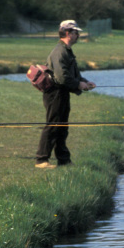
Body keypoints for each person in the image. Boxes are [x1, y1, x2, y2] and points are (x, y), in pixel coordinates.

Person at [35, 20, 96, 169]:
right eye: (76, 32)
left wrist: (85, 82)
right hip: (54, 93)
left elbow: (73, 74)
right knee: (53, 125)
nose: (78, 35)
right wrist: (77, 85)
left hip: (62, 93)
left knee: (62, 127)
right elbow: (62, 77)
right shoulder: (59, 51)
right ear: (68, 33)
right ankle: (41, 159)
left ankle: (64, 160)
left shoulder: (67, 50)